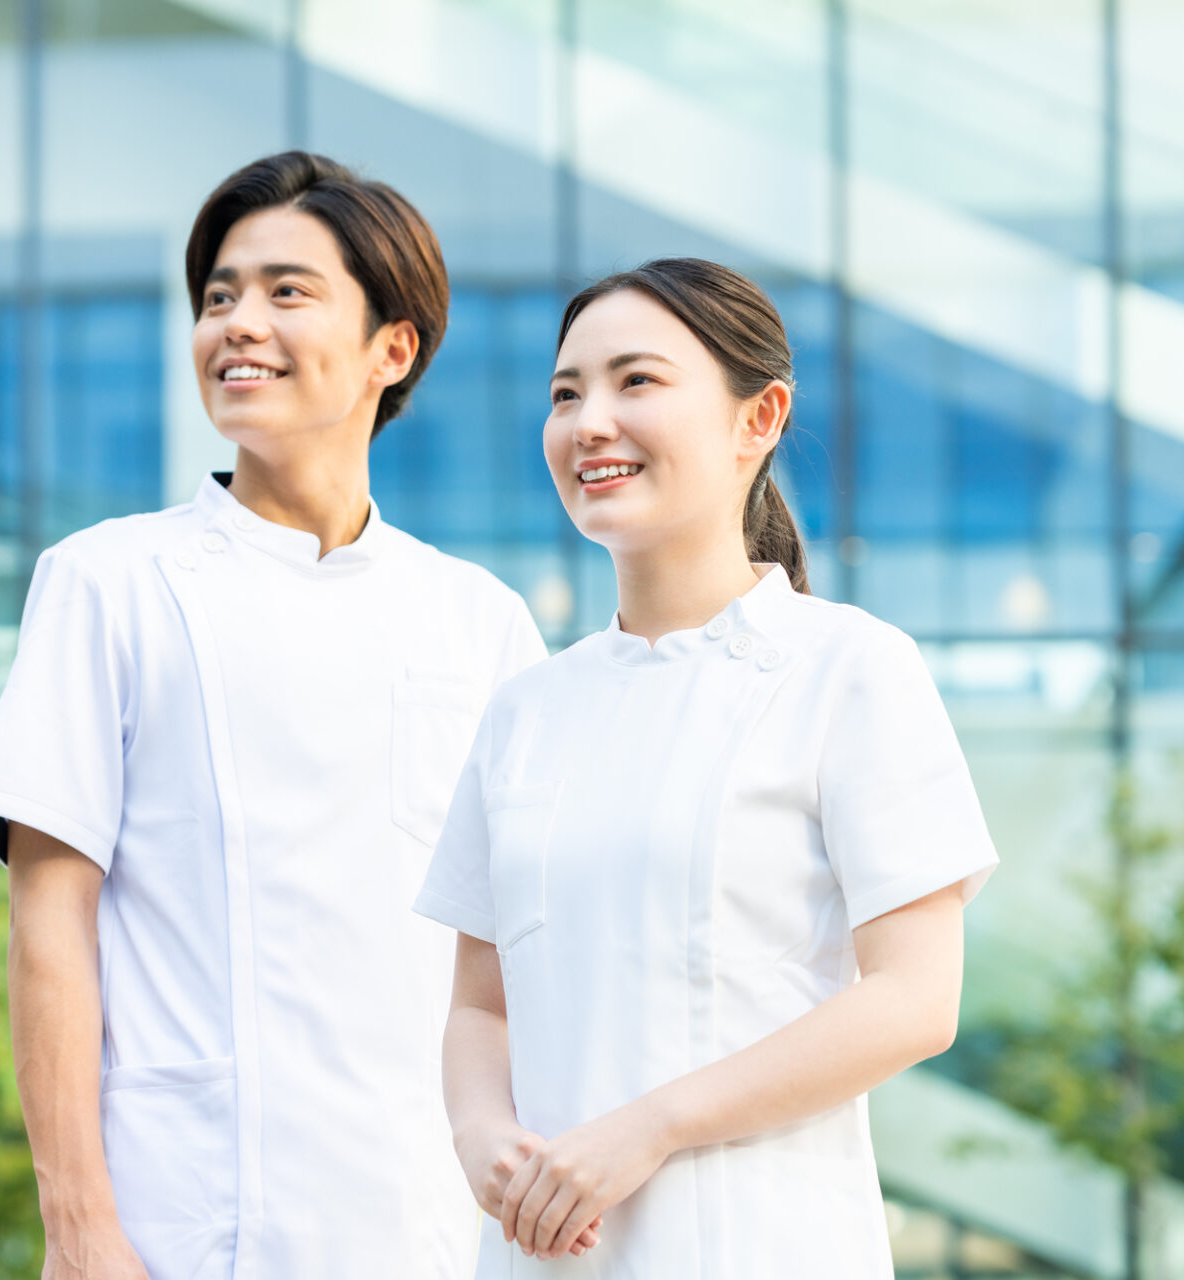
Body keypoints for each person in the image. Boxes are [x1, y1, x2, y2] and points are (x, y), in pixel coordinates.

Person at [0, 151, 574, 1279]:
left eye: (288, 292)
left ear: (394, 348)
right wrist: (78, 1226)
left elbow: (532, 952)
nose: (237, 323)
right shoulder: (109, 581)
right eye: (218, 297)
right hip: (184, 1219)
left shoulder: (479, 620)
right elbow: (49, 921)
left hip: (426, 1221)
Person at [415, 257, 1000, 1278]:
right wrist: (479, 1134)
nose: (590, 421)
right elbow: (481, 1005)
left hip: (765, 1244)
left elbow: (914, 997)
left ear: (758, 418)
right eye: (566, 394)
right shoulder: (526, 711)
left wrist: (652, 1126)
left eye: (636, 381)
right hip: (547, 1253)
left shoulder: (850, 668)